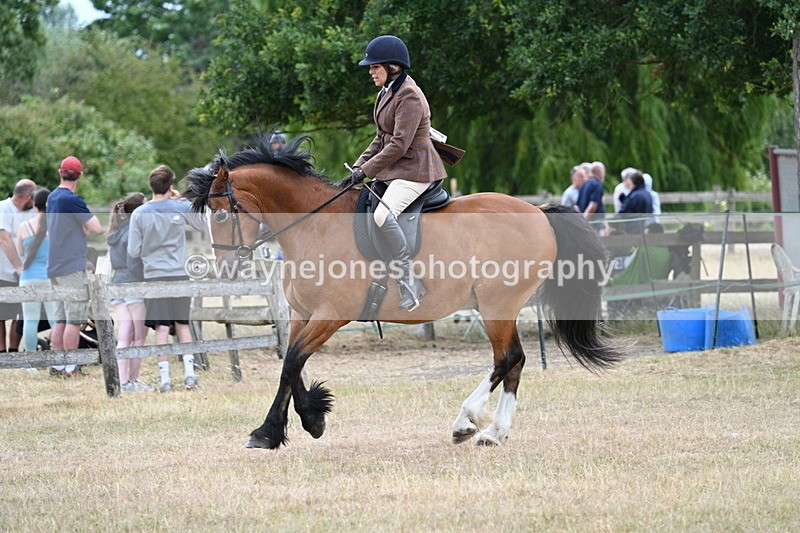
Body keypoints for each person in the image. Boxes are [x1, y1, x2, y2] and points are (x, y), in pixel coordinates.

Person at [343, 34, 447, 311]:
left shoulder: (410, 95)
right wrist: (357, 167)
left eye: (374, 66)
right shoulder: (386, 92)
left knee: (382, 214)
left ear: (393, 67)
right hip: (396, 170)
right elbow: (379, 139)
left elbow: (399, 144)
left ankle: (409, 280)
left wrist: (367, 170)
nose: (370, 70)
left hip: (417, 171)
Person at [128, 165, 206, 392]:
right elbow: (201, 224)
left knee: (161, 328)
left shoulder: (140, 214)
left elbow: (133, 251)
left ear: (150, 186)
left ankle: (165, 379)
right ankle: (190, 374)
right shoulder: (180, 207)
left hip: (155, 276)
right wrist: (183, 200)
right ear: (170, 186)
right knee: (183, 325)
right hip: (179, 274)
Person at [46, 156, 103, 376]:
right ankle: (71, 366)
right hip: (71, 265)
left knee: (60, 319)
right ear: (79, 175)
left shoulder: (52, 197)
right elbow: (96, 227)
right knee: (75, 320)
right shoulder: (72, 199)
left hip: (55, 266)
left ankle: (58, 365)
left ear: (60, 173)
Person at [107, 192, 153, 393]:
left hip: (118, 283)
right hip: (133, 283)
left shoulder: (114, 232)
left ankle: (123, 381)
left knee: (124, 336)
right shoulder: (132, 231)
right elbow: (134, 261)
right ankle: (132, 380)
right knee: (139, 336)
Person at [15, 188, 56, 354]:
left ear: (34, 205)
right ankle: (60, 356)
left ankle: (30, 361)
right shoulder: (55, 227)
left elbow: (21, 253)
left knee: (30, 320)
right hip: (49, 277)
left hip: (28, 277)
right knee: (55, 319)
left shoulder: (23, 227)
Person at [0, 179, 37, 352]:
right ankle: (1, 352)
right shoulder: (3, 208)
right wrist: (17, 266)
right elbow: (4, 239)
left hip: (25, 273)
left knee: (20, 314)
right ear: (28, 196)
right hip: (3, 272)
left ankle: (14, 350)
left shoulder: (31, 212)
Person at [576, 160, 606, 231]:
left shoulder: (584, 184)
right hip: (594, 223)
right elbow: (593, 205)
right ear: (600, 173)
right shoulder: (597, 185)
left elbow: (577, 205)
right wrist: (584, 221)